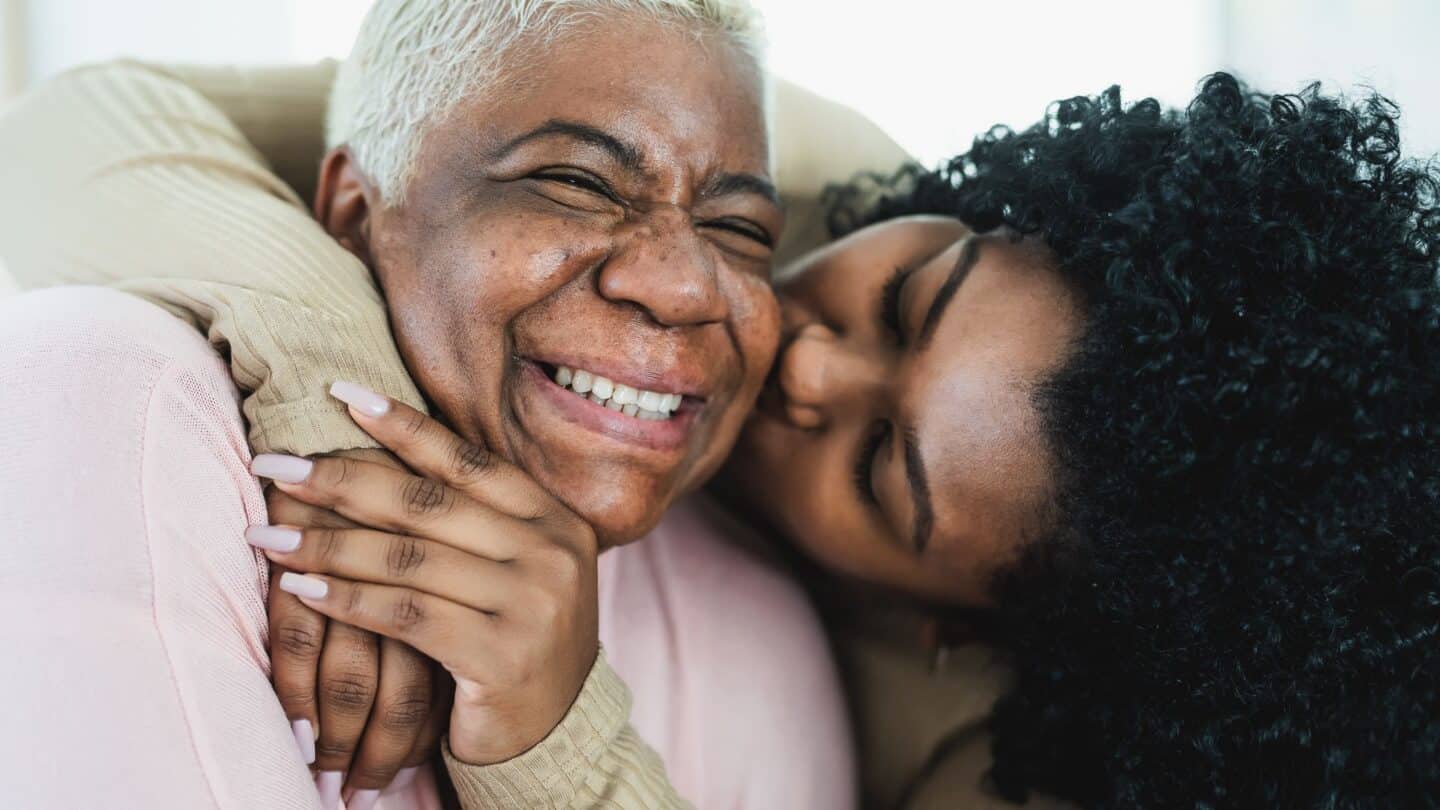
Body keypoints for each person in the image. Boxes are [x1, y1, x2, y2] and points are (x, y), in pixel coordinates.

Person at [8, 14, 1438, 810]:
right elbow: (92, 123)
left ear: (945, 624)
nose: (809, 363)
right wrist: (339, 407)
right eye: (906, 299)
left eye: (884, 468)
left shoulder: (978, 759)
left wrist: (561, 732)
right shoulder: (777, 167)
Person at [0, 1, 893, 808]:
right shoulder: (123, 416)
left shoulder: (757, 638)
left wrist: (561, 757)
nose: (683, 286)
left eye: (740, 230)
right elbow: (64, 128)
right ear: (352, 211)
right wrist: (339, 416)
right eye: (577, 182)